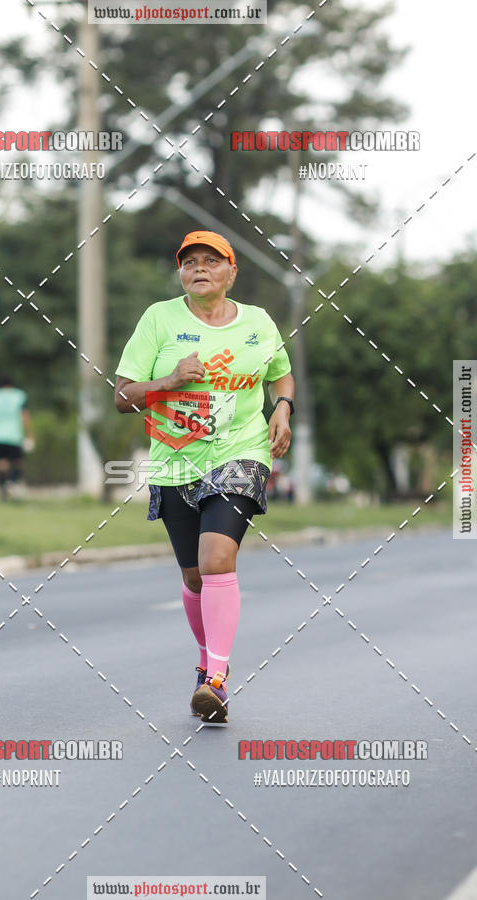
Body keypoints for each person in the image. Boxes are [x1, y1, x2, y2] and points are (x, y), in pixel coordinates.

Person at [114, 230, 294, 723]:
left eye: (211, 261)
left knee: (217, 558)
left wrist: (283, 406)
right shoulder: (159, 319)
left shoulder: (258, 323)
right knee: (193, 574)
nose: (199, 268)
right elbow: (123, 396)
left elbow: (281, 371)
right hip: (176, 461)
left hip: (242, 453)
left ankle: (215, 680)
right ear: (180, 273)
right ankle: (206, 659)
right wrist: (169, 380)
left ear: (231, 273)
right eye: (189, 261)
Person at [0, 375, 34, 500]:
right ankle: (11, 484)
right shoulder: (20, 396)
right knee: (18, 463)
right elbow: (24, 416)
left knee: (1, 464)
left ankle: (3, 490)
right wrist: (29, 434)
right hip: (15, 435)